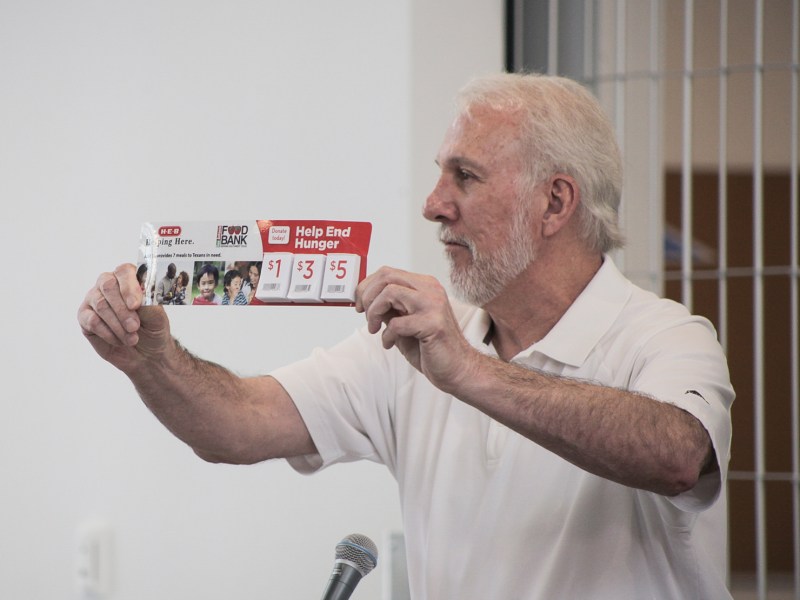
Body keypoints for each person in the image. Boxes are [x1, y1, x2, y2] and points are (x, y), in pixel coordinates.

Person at [77, 73, 734, 599]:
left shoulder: (665, 338)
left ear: (555, 204)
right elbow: (237, 424)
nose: (433, 203)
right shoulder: (412, 350)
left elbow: (676, 454)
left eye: (464, 176)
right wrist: (153, 360)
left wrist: (470, 373)